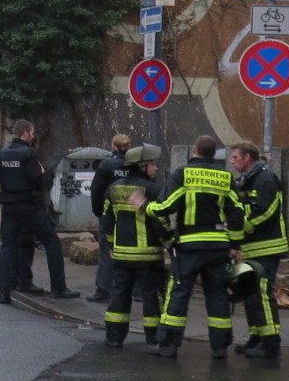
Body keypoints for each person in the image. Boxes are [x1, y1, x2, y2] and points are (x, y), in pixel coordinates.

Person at [143, 134, 245, 359]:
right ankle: (219, 347)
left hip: (190, 245)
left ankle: (169, 345)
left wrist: (147, 207)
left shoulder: (184, 174)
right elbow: (237, 212)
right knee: (217, 293)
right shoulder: (225, 177)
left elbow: (166, 206)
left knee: (179, 291)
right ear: (214, 153)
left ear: (194, 152)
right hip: (218, 246)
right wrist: (235, 244)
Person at [0, 119, 79, 304]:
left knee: (8, 247)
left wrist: (6, 177)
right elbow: (37, 178)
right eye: (33, 133)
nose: (34, 136)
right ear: (26, 133)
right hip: (28, 206)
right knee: (52, 242)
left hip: (9, 208)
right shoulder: (29, 154)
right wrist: (44, 173)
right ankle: (59, 287)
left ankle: (4, 292)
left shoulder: (2, 153)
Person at [230, 141, 289, 362]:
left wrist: (240, 227)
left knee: (263, 295)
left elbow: (266, 212)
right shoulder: (246, 181)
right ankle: (256, 338)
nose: (232, 161)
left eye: (235, 157)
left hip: (266, 248)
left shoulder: (266, 180)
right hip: (250, 249)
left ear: (247, 157)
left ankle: (271, 344)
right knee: (250, 295)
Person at [102, 144, 165, 349]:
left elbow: (107, 222)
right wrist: (169, 242)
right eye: (153, 165)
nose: (155, 169)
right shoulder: (152, 189)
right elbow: (161, 221)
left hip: (121, 255)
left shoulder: (113, 188)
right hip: (148, 256)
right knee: (151, 297)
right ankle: (153, 338)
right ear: (142, 166)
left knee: (119, 294)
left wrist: (111, 245)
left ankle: (114, 337)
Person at [87, 131, 133, 303]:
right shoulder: (133, 165)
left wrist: (98, 211)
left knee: (107, 250)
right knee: (131, 251)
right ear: (129, 147)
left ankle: (103, 289)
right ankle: (133, 291)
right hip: (131, 213)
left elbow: (96, 190)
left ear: (113, 147)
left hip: (110, 214)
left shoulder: (107, 165)